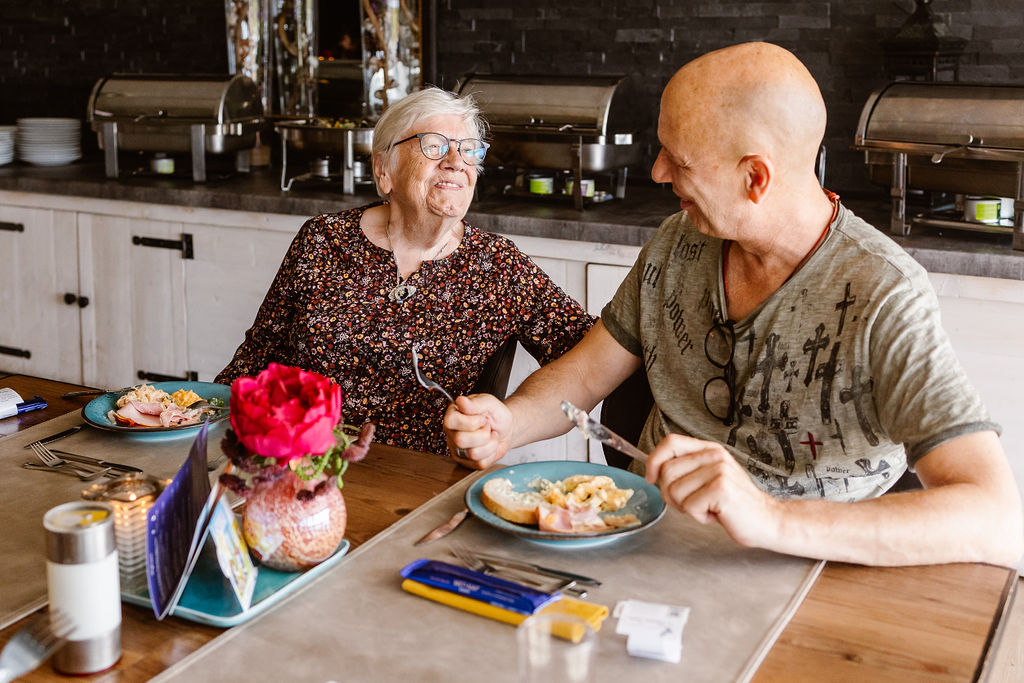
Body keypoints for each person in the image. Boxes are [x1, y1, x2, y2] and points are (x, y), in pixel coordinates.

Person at [443, 43, 1023, 567]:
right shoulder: (678, 241)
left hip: (803, 574)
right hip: (641, 547)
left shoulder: (885, 295)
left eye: (679, 159)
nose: (657, 171)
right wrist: (511, 421)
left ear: (755, 178)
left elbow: (994, 515)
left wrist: (770, 518)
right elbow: (589, 371)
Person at [217, 87, 594, 455]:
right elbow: (256, 358)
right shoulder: (323, 240)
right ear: (384, 169)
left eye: (468, 151)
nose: (456, 162)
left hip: (423, 482)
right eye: (434, 145)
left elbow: (590, 355)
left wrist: (511, 417)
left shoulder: (497, 264)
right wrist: (202, 432)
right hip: (307, 466)